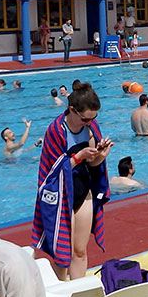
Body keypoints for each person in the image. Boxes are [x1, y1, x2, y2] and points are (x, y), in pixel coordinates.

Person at [34, 82, 114, 280]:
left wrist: (101, 155)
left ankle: (78, 293)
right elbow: (51, 173)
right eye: (86, 118)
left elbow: (94, 165)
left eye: (93, 118)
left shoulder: (91, 127)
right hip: (61, 195)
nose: (90, 122)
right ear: (72, 110)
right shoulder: (56, 130)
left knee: (79, 251)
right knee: (62, 255)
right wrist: (79, 157)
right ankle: (62, 293)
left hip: (82, 191)